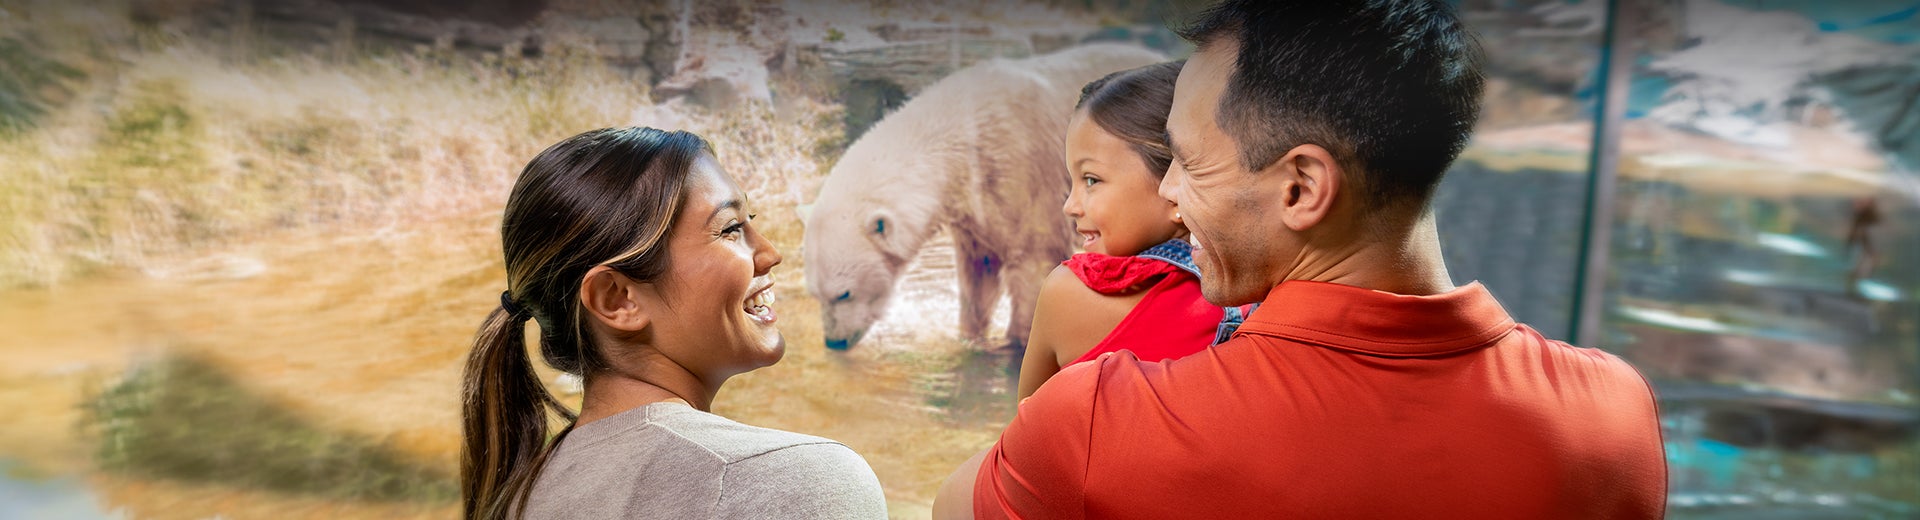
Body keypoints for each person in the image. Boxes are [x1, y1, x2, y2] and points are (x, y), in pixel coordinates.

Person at [934, 1, 1667, 518]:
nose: (1168, 192)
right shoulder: (1613, 418)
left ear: (1302, 187)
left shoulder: (1097, 423)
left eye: (1187, 161)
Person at [460, 127, 887, 520]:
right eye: (730, 229)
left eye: (750, 222)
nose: (770, 254)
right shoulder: (792, 483)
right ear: (618, 299)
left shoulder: (517, 500)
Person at [1015, 60, 1229, 400]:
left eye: (1091, 180)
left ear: (1176, 185)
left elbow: (1026, 427)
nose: (1070, 206)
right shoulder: (1262, 293)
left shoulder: (1066, 294)